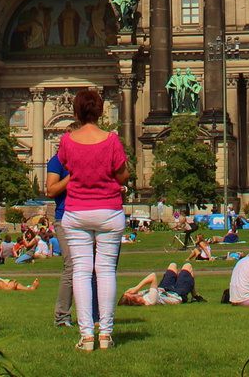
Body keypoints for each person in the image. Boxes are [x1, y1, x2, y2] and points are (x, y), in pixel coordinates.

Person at [49, 88, 130, 352]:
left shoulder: (67, 141)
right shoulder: (111, 140)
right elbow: (122, 177)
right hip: (109, 210)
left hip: (76, 211)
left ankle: (86, 337)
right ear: (100, 110)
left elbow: (64, 166)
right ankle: (105, 334)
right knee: (105, 271)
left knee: (82, 273)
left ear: (76, 111)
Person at [121, 263, 196, 305]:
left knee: (172, 265)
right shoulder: (150, 300)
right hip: (176, 294)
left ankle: (193, 294)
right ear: (136, 300)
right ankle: (195, 296)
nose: (131, 291)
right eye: (130, 293)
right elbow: (153, 276)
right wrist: (136, 288)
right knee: (187, 266)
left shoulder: (140, 295)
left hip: (164, 288)